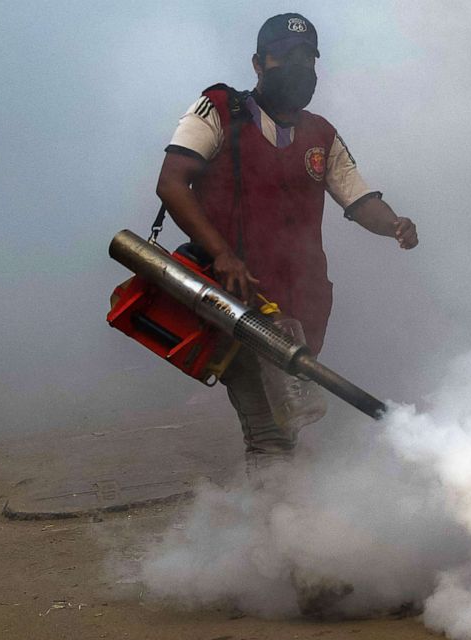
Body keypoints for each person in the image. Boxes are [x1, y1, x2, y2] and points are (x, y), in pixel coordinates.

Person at [156, 13, 418, 474]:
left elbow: (358, 199)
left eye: (308, 58)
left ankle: (280, 524)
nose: (299, 68)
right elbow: (173, 183)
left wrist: (394, 223)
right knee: (270, 435)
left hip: (301, 306)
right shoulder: (216, 110)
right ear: (258, 63)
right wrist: (222, 254)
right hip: (235, 301)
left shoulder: (322, 135)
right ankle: (273, 533)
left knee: (286, 425)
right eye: (285, 57)